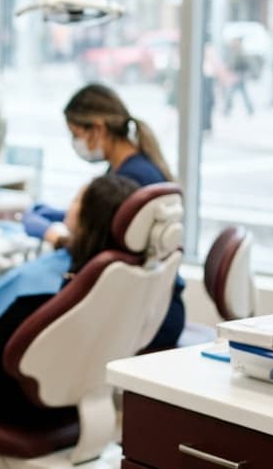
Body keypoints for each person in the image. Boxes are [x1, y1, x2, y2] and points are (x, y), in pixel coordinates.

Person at [0, 173, 139, 426]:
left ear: (87, 219)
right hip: (66, 399)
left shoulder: (47, 295)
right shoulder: (114, 282)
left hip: (9, 401)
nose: (68, 207)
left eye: (76, 201)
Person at [21, 83, 184, 348]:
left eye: (76, 134)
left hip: (146, 315)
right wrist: (64, 215)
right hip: (154, 306)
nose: (76, 144)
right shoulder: (133, 168)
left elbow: (104, 253)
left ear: (97, 128)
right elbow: (112, 226)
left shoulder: (133, 179)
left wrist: (54, 235)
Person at [223, 36, 254, 116]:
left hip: (240, 75)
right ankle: (227, 110)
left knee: (243, 94)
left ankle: (250, 109)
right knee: (231, 94)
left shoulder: (242, 52)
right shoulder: (231, 51)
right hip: (233, 75)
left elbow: (245, 64)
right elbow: (228, 63)